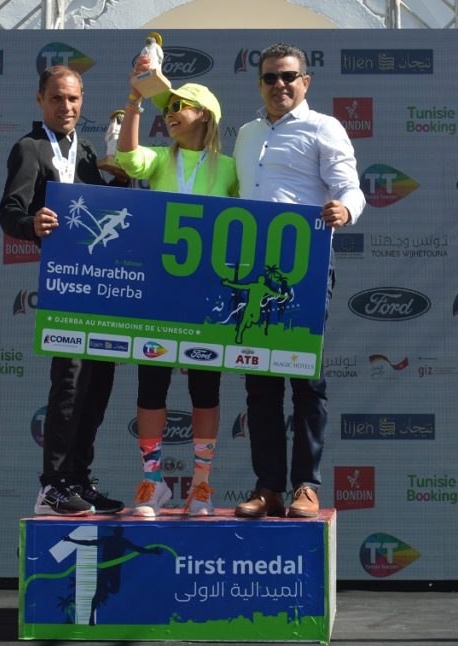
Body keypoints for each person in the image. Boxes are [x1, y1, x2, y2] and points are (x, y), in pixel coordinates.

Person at [232, 43, 365, 519]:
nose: (280, 85)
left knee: (306, 380)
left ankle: (306, 486)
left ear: (305, 81)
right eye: (270, 77)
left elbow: (349, 186)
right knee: (259, 384)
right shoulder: (245, 134)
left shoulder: (324, 127)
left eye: (289, 76)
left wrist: (345, 209)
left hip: (303, 268)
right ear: (260, 84)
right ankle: (268, 487)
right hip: (252, 269)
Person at [0, 64, 126, 516]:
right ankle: (52, 485)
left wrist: (122, 179)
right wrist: (31, 223)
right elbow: (9, 211)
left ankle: (79, 480)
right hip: (65, 286)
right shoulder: (29, 148)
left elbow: (102, 208)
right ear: (40, 100)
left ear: (82, 100)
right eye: (56, 98)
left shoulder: (87, 150)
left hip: (101, 286)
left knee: (99, 385)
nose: (66, 106)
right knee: (69, 384)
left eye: (73, 98)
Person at [116, 54, 238, 517]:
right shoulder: (159, 158)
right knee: (152, 386)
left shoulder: (230, 168)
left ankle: (201, 486)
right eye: (166, 108)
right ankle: (152, 482)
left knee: (206, 390)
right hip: (159, 292)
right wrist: (135, 98)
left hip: (207, 295)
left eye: (178, 106)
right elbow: (128, 158)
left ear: (204, 114)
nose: (169, 113)